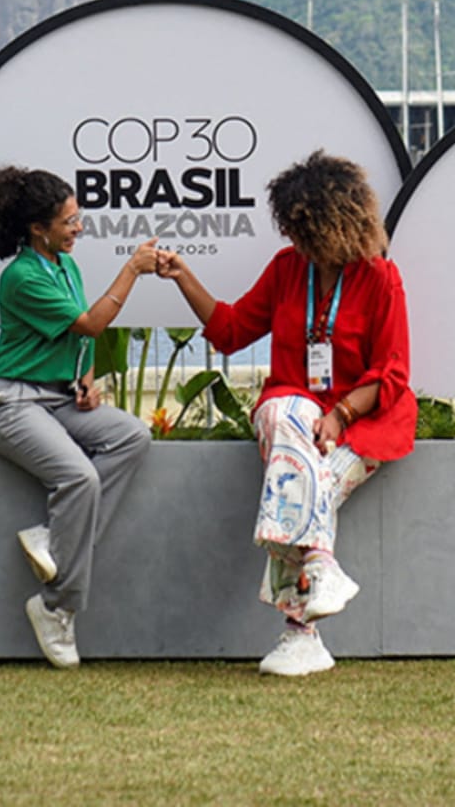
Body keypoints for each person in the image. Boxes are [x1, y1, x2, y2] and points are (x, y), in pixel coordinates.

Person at [158, 150, 415, 677]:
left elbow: (391, 372)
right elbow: (230, 332)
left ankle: (301, 635)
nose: (297, 243)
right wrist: (184, 276)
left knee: (296, 478)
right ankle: (321, 568)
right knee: (282, 413)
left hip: (362, 424)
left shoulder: (380, 278)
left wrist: (341, 414)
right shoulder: (285, 270)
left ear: (336, 226)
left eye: (307, 233)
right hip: (296, 417)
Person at [0, 165, 157, 669]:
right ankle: (56, 607)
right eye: (69, 221)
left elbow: (79, 338)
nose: (78, 228)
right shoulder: (22, 276)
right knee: (78, 478)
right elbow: (93, 323)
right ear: (38, 228)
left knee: (132, 435)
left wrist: (86, 380)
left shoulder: (66, 267)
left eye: (79, 218)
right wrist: (133, 270)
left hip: (57, 399)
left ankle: (57, 540)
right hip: (10, 404)